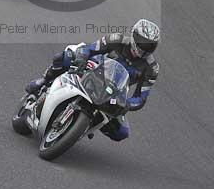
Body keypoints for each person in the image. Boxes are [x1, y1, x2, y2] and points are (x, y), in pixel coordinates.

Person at [26, 19, 161, 142]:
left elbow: (141, 98)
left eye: (149, 46)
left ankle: (86, 125)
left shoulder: (152, 68)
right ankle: (44, 81)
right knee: (65, 56)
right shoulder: (117, 40)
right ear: (133, 36)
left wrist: (127, 104)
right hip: (94, 71)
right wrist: (81, 59)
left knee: (122, 132)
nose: (144, 48)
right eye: (142, 43)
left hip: (113, 93)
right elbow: (89, 49)